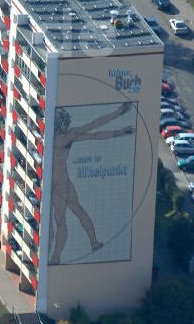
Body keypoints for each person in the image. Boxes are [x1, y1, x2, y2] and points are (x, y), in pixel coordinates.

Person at [49, 103, 135, 263]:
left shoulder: (61, 135)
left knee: (62, 220)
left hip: (58, 183)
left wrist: (118, 124)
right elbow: (94, 129)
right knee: (67, 217)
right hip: (58, 183)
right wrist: (118, 125)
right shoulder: (64, 135)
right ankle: (81, 247)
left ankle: (59, 255)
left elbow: (95, 128)